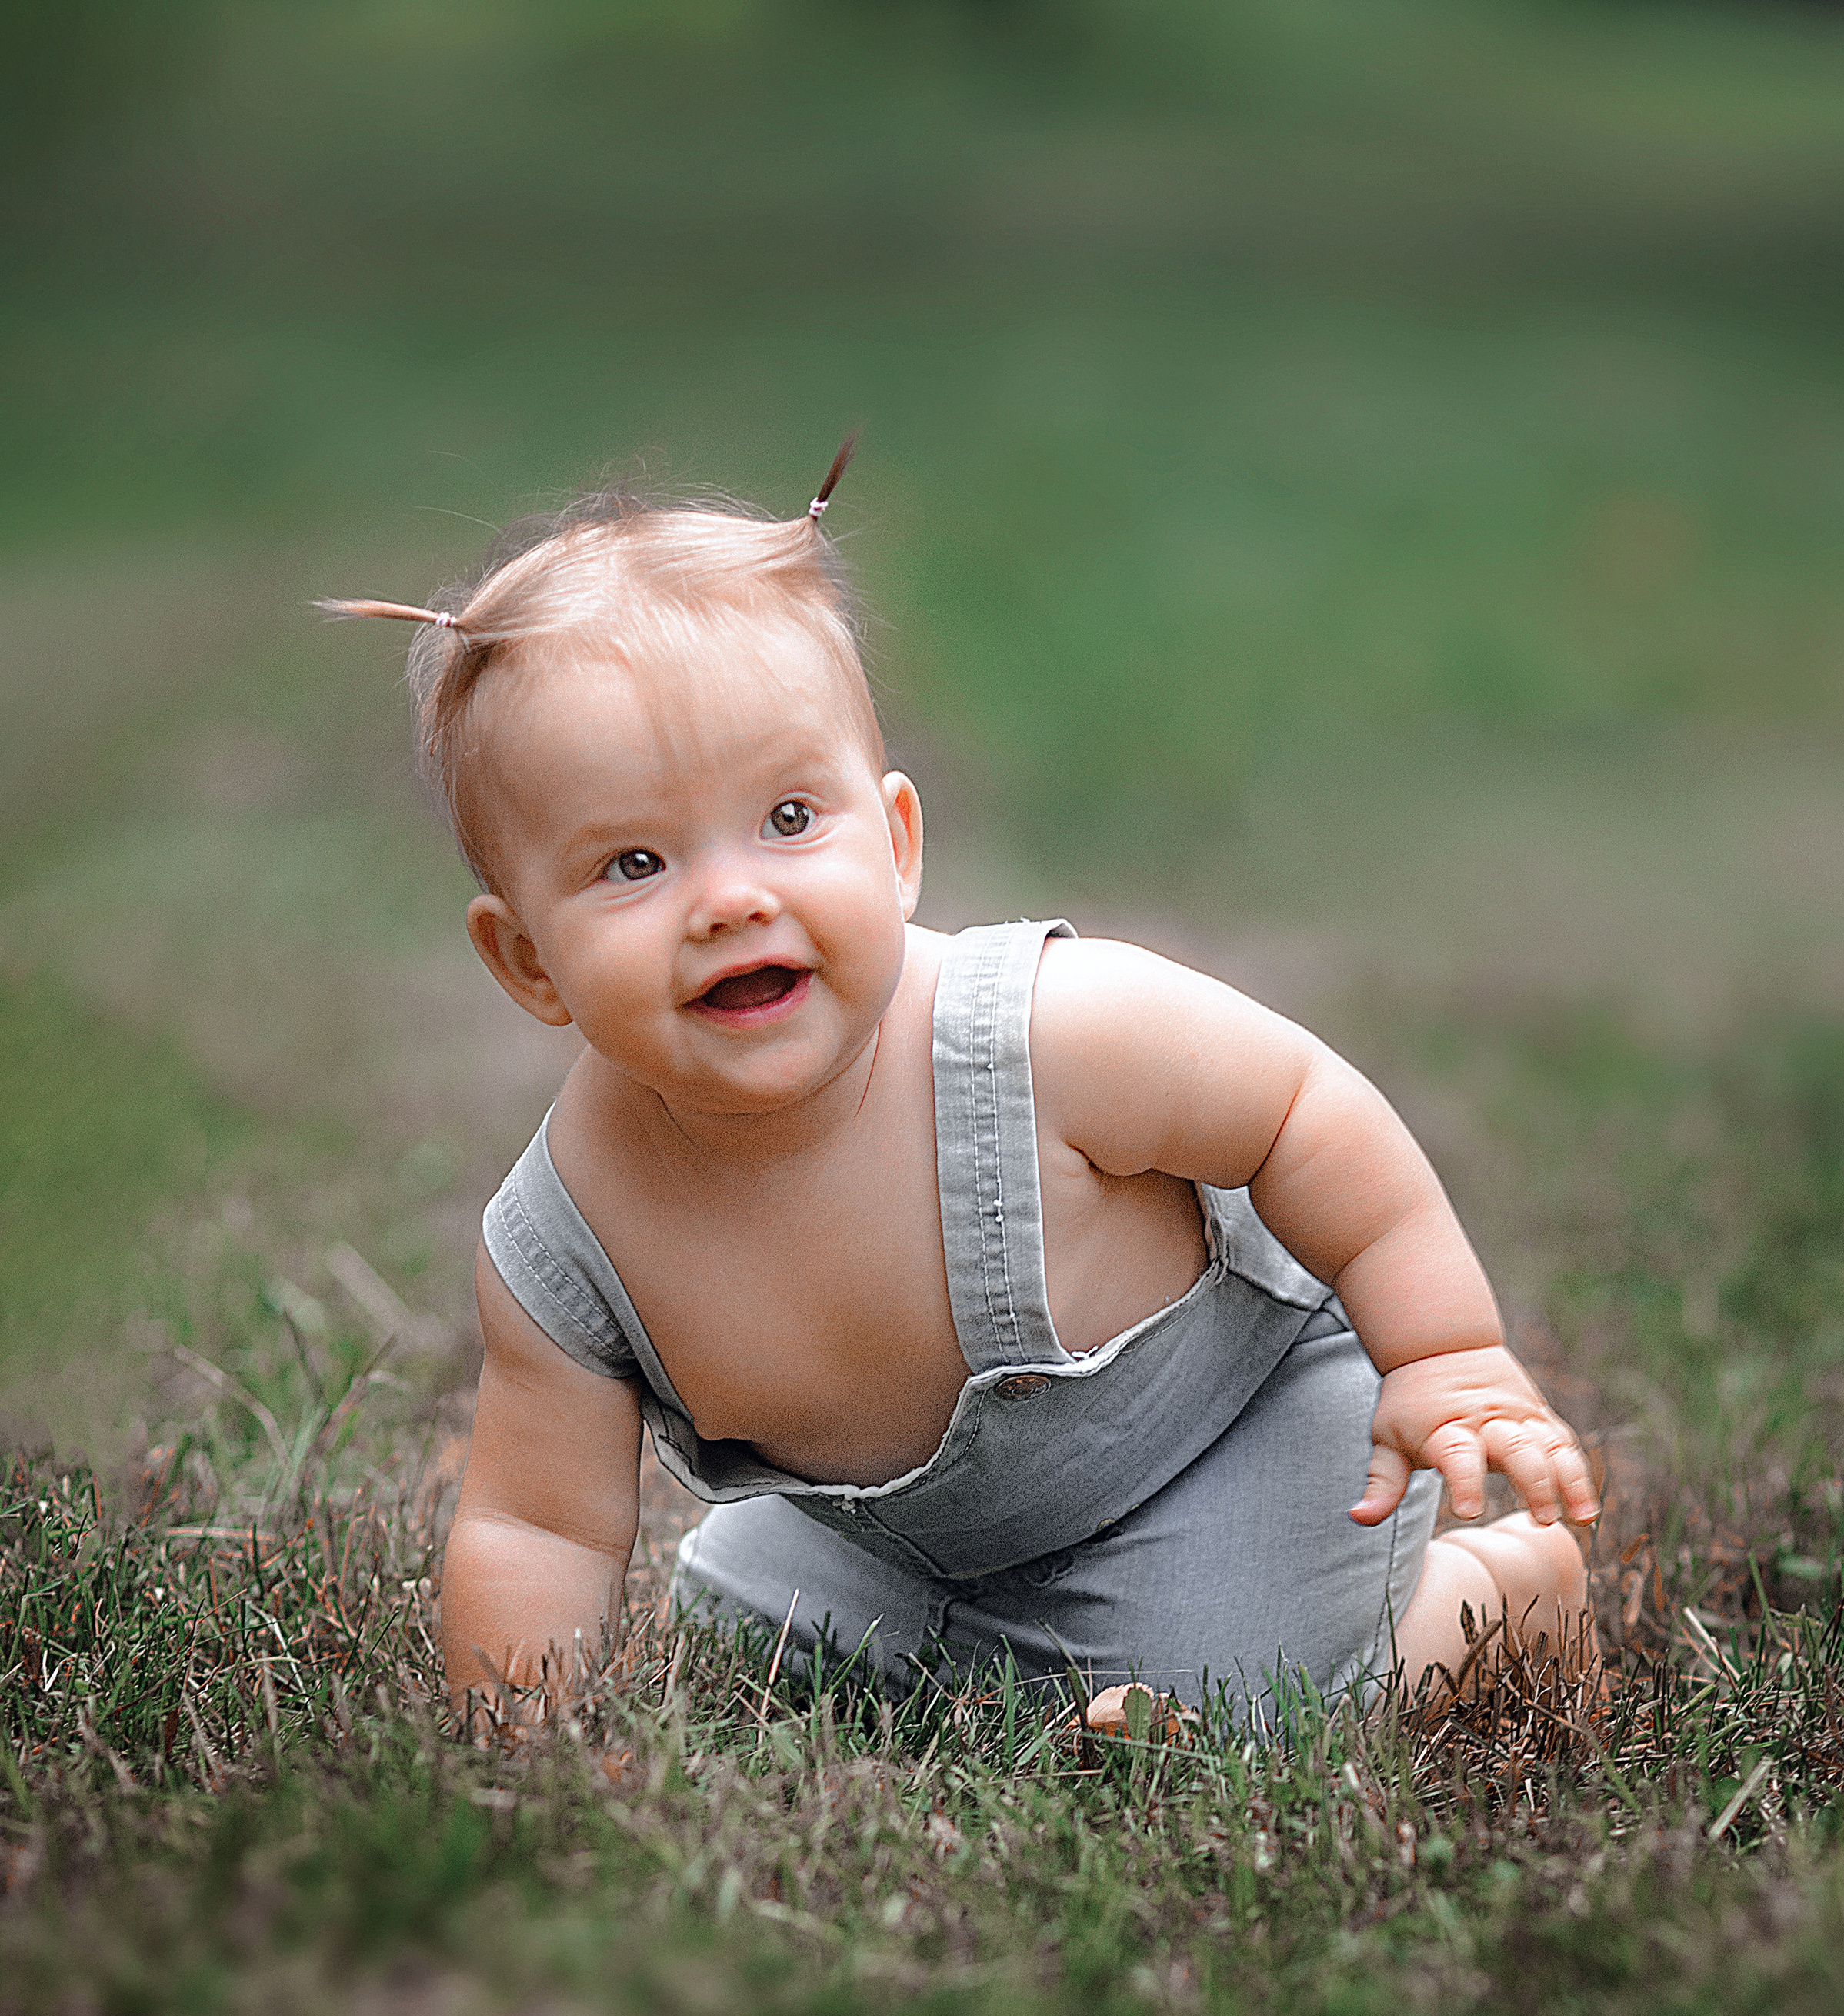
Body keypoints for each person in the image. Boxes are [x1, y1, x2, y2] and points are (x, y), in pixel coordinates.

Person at [323, 451, 1597, 1727]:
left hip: (1238, 1439)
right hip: (918, 1541)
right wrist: (525, 1740)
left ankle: (1493, 1595)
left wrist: (1445, 1352)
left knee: (1256, 1706)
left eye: (786, 819)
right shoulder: (565, 1242)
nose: (732, 899)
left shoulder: (1049, 1033)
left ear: (898, 844)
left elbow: (1299, 1109)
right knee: (749, 1638)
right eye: (636, 861)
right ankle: (1053, 1667)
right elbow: (537, 1526)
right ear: (528, 959)